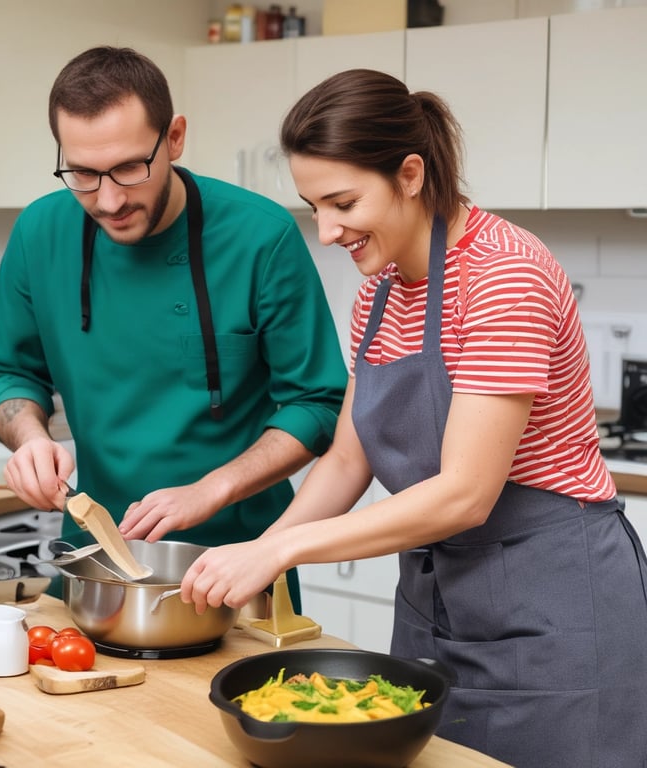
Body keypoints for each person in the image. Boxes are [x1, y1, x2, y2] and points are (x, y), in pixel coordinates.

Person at [179, 69, 647, 767]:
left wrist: (282, 551)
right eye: (313, 206)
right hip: (437, 607)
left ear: (409, 173)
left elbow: (466, 491)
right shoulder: (379, 299)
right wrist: (258, 554)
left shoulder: (504, 274)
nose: (327, 230)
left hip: (552, 613)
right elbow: (346, 458)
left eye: (342, 202)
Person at [0, 46, 347, 608]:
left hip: (239, 568)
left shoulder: (261, 238)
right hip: (93, 568)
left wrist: (211, 489)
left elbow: (318, 403)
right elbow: (8, 373)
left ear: (175, 138)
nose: (108, 198)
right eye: (81, 173)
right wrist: (30, 439)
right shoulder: (39, 232)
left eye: (129, 167)